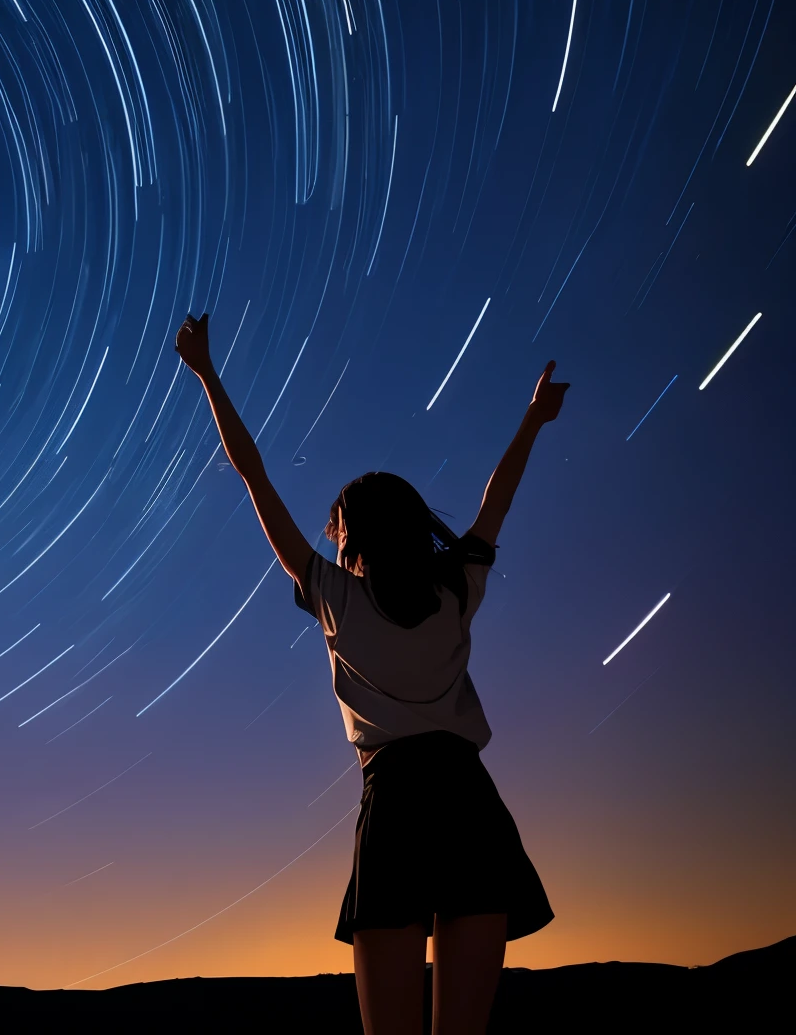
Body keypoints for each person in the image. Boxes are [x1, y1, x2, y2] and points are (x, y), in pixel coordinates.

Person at [174, 312, 565, 1035]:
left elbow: (254, 475)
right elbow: (496, 501)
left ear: (349, 535)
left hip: (396, 809)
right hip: (470, 806)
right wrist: (534, 419)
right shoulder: (456, 589)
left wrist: (205, 374)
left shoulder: (335, 596)